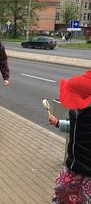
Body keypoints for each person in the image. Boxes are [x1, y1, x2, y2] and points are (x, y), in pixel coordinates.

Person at [47, 70, 91, 204]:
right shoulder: (76, 112)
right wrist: (58, 123)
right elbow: (74, 127)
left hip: (88, 171)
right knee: (62, 189)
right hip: (73, 165)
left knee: (84, 198)